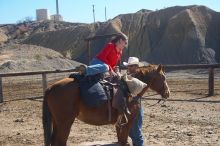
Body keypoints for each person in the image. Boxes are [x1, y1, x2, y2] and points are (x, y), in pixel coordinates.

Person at [123, 57, 146, 146]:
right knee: (132, 132)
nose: (129, 67)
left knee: (136, 132)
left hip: (136, 105)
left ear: (136, 66)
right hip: (132, 105)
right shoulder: (130, 76)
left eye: (131, 66)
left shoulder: (139, 77)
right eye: (128, 66)